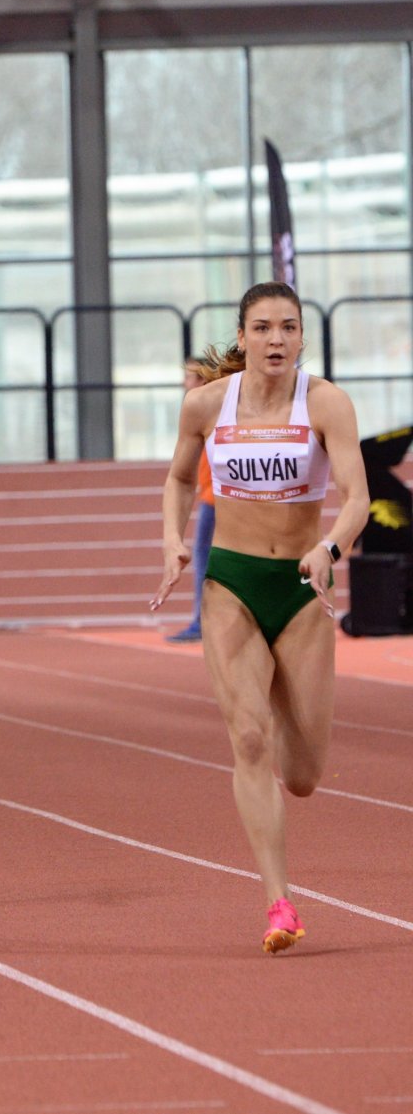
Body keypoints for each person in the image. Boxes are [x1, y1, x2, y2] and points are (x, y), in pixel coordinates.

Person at [152, 282, 367, 953]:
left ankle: (274, 696)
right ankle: (278, 902)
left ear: (303, 337)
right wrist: (173, 537)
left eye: (289, 327)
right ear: (243, 336)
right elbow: (180, 478)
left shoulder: (326, 402)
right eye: (263, 327)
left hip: (300, 588)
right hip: (234, 583)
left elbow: (358, 495)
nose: (277, 338)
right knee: (246, 741)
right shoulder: (208, 404)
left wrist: (329, 548)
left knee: (301, 775)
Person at [167, 358, 215, 644]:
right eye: (186, 377)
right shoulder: (202, 411)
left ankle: (202, 621)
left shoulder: (209, 409)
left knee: (205, 559)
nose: (187, 383)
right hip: (211, 495)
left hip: (217, 498)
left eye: (191, 377)